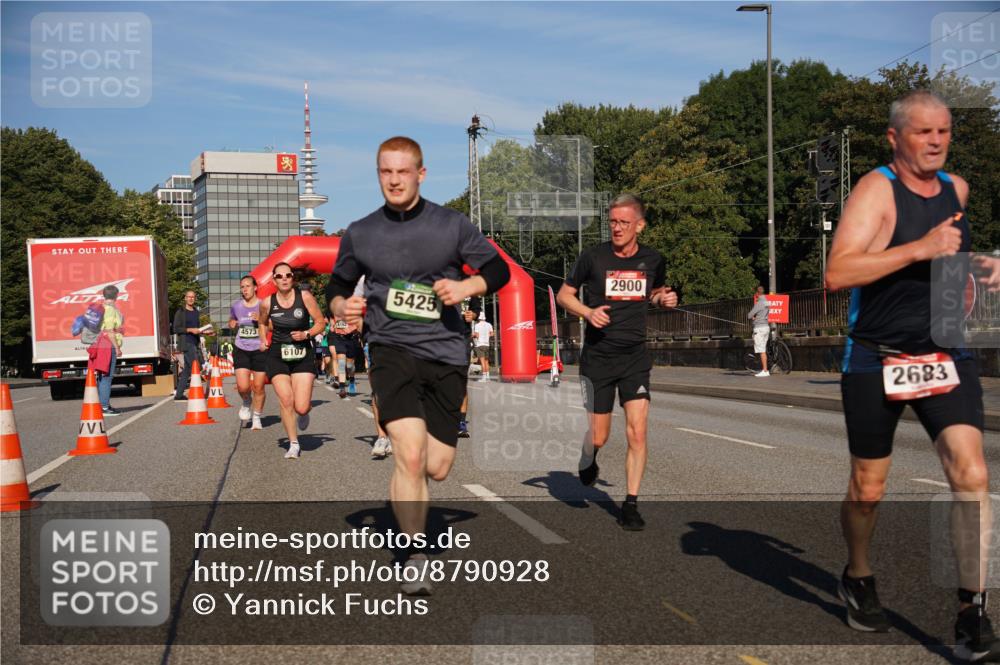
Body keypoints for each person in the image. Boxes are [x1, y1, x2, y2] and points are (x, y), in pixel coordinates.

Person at [825, 90, 997, 660]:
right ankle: (858, 574)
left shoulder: (957, 190)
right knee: (868, 489)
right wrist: (919, 248)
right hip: (877, 356)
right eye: (924, 132)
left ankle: (973, 610)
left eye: (944, 130)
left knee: (971, 473)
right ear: (895, 138)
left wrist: (980, 269)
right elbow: (838, 272)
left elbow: (948, 261)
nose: (936, 141)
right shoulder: (875, 191)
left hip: (945, 352)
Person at [327, 136, 510, 594]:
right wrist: (341, 307)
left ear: (420, 174)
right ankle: (414, 555)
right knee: (408, 454)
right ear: (378, 175)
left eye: (402, 171)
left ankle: (407, 490)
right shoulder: (361, 232)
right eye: (385, 172)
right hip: (390, 351)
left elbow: (498, 270)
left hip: (445, 354)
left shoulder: (452, 225)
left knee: (438, 466)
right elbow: (338, 286)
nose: (394, 180)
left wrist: (466, 288)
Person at [556, 193, 678, 531]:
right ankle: (589, 455)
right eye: (612, 222)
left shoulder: (653, 259)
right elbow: (564, 295)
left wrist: (664, 299)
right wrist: (587, 312)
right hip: (598, 358)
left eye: (624, 222)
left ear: (640, 225)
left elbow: (654, 292)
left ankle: (630, 504)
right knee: (599, 437)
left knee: (638, 432)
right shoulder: (593, 257)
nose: (617, 228)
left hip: (634, 357)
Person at [258, 263, 326, 460]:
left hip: (302, 353)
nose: (284, 279)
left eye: (288, 275)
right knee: (286, 400)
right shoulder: (267, 303)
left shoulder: (304, 297)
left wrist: (306, 334)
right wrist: (263, 339)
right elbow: (262, 322)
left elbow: (321, 323)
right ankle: (293, 443)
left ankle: (304, 413)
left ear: (293, 278)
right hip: (277, 355)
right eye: (280, 276)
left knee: (301, 406)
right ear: (274, 280)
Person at [228, 276, 267, 430]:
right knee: (243, 387)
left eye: (248, 286)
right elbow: (232, 320)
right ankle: (246, 401)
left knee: (258, 387)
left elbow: (272, 325)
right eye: (242, 287)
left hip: (259, 348)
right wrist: (231, 323)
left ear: (255, 287)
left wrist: (261, 319)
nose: (245, 289)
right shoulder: (236, 306)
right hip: (241, 348)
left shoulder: (263, 305)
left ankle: (256, 417)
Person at [97, 285, 125, 417]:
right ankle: (104, 407)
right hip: (107, 346)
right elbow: (109, 330)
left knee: (102, 376)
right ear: (116, 295)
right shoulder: (110, 310)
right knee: (107, 377)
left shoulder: (102, 307)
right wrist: (117, 347)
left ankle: (104, 404)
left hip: (102, 344)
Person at [173, 290, 205, 401]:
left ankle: (179, 395)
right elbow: (176, 329)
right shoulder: (180, 312)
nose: (191, 299)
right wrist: (190, 330)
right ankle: (197, 393)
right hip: (186, 343)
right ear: (185, 298)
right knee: (196, 366)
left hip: (195, 343)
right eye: (189, 297)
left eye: (193, 297)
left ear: (195, 299)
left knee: (187, 370)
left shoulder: (196, 312)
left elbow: (197, 329)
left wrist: (205, 332)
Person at [457, 298, 481, 438]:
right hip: (437, 338)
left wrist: (473, 314)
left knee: (460, 381)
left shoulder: (470, 288)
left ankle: (461, 423)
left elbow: (476, 309)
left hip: (462, 339)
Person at [330, 311, 362, 399]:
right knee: (341, 363)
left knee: (349, 366)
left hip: (352, 338)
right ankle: (342, 388)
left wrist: (357, 330)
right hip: (339, 338)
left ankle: (352, 380)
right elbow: (332, 321)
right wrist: (333, 326)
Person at [747, 285, 770, 377]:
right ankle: (764, 369)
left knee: (761, 350)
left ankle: (765, 370)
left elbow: (749, 315)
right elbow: (763, 313)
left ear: (757, 293)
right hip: (766, 327)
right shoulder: (767, 302)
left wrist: (754, 317)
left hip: (759, 328)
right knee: (763, 348)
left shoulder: (759, 303)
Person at [472, 311, 494, 382]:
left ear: (479, 318)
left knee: (482, 362)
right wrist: (486, 336)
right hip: (487, 344)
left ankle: (484, 378)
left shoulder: (477, 325)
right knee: (486, 362)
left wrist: (472, 335)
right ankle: (488, 377)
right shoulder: (489, 324)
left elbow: (477, 335)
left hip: (480, 344)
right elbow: (492, 334)